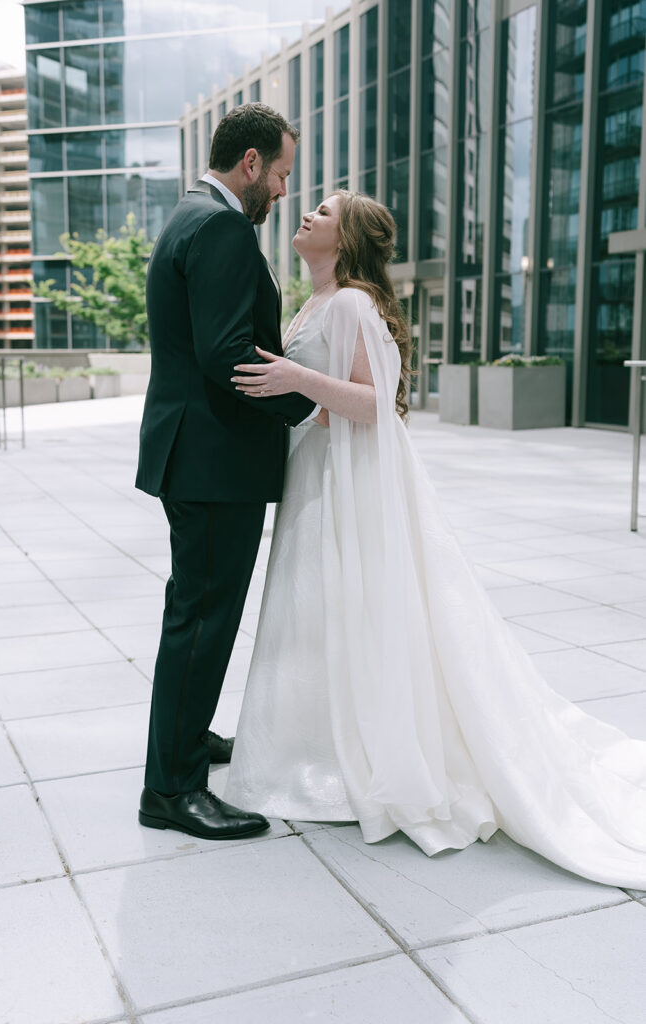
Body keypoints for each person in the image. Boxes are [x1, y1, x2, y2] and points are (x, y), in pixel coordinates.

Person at [224, 190, 646, 889]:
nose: (306, 215)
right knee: (317, 612)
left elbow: (372, 405)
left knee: (345, 606)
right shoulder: (312, 300)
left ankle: (347, 753)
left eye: (323, 212)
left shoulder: (353, 303)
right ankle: (311, 742)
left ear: (348, 238)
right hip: (313, 474)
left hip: (340, 484)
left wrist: (296, 377)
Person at [135, 104, 318, 841]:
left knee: (198, 617)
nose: (281, 192)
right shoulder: (219, 227)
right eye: (278, 175)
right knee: (202, 621)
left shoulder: (189, 214)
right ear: (249, 163)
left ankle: (186, 738)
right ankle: (171, 790)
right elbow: (225, 353)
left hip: (199, 457)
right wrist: (312, 406)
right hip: (213, 462)